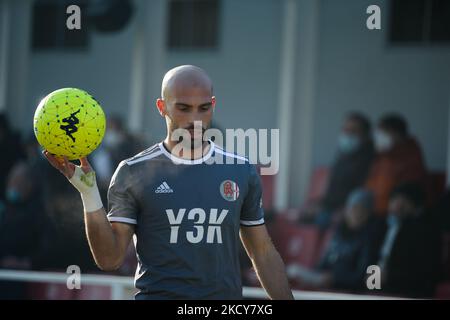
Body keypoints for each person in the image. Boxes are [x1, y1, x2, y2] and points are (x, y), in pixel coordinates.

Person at [43, 65, 293, 300]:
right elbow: (109, 259)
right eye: (183, 108)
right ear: (161, 107)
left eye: (203, 108)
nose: (195, 119)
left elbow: (262, 252)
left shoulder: (241, 171)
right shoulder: (133, 172)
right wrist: (88, 192)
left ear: (213, 106)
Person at [287, 189, 380, 293]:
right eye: (353, 208)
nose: (356, 214)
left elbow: (362, 277)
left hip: (346, 290)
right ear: (346, 210)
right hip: (324, 284)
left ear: (368, 214)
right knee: (292, 271)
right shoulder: (337, 233)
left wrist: (335, 279)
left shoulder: (370, 240)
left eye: (362, 210)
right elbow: (322, 263)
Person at [301, 112, 374, 228]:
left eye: (353, 131)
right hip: (329, 208)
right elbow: (333, 191)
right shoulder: (342, 156)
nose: (348, 134)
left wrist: (343, 209)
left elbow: (362, 193)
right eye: (345, 130)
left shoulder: (371, 161)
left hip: (347, 212)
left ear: (365, 135)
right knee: (302, 217)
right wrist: (318, 204)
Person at [377, 183, 441, 298]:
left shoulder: (426, 231)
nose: (397, 205)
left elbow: (425, 273)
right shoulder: (383, 225)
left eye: (403, 201)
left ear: (415, 205)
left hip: (408, 290)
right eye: (394, 199)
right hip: (377, 285)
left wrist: (389, 276)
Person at [366, 113, 427, 217]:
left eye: (383, 132)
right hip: (373, 214)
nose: (378, 137)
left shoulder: (411, 159)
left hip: (391, 217)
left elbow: (407, 199)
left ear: (397, 134)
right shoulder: (381, 157)